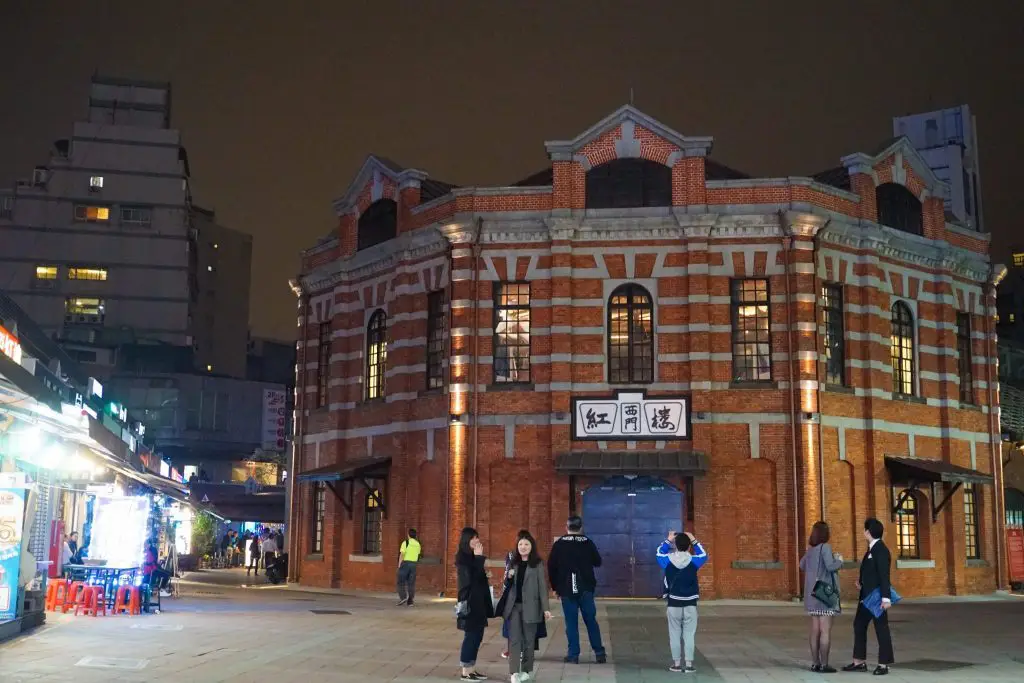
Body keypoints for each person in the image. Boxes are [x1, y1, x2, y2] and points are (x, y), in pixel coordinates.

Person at [548, 515, 607, 665]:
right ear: (581, 528)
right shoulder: (587, 542)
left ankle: (573, 654)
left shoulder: (559, 544)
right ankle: (599, 653)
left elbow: (551, 567)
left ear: (566, 528)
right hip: (586, 587)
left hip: (566, 589)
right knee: (591, 621)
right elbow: (598, 562)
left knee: (571, 622)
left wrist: (555, 587)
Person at [842, 518, 894, 676]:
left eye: (865, 529)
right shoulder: (871, 549)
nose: (863, 532)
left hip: (877, 597)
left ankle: (883, 664)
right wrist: (862, 583)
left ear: (868, 532)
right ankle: (859, 661)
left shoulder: (881, 550)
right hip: (866, 596)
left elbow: (884, 576)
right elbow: (870, 572)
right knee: (859, 625)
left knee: (881, 629)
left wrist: (886, 598)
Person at [500, 530, 552, 683]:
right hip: (514, 607)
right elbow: (506, 585)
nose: (523, 547)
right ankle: (514, 672)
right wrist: (508, 577)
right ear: (517, 546)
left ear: (531, 546)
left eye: (526, 544)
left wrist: (546, 609)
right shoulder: (513, 562)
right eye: (520, 544)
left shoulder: (537, 564)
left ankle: (527, 670)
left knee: (529, 641)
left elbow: (543, 588)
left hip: (532, 608)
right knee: (514, 640)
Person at [799, 521, 844, 673]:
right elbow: (831, 566)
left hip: (811, 595)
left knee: (815, 630)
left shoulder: (810, 550)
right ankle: (824, 664)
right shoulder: (825, 547)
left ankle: (814, 663)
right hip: (823, 594)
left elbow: (802, 565)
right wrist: (839, 560)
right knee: (825, 630)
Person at [664, 531, 708, 673]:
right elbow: (704, 554)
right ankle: (689, 665)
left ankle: (676, 664)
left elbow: (658, 553)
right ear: (689, 546)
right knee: (689, 634)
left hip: (674, 602)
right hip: (690, 603)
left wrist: (668, 540)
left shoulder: (667, 560)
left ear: (675, 546)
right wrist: (694, 539)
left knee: (674, 633)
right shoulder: (695, 561)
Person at [455, 527, 493, 681]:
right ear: (466, 540)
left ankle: (472, 668)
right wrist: (478, 559)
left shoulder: (472, 557)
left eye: (477, 538)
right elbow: (467, 582)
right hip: (470, 602)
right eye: (473, 538)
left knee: (478, 636)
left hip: (479, 601)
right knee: (471, 636)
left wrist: (485, 574)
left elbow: (477, 577)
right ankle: (465, 671)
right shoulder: (462, 559)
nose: (476, 541)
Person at [396, 528, 422, 606]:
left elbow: (402, 554)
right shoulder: (418, 544)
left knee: (400, 581)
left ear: (408, 535)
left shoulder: (406, 543)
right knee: (411, 583)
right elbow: (418, 555)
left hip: (405, 563)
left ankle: (403, 597)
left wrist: (399, 564)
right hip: (413, 564)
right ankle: (410, 601)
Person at [656, 530, 677, 597]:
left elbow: (660, 553)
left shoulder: (668, 559)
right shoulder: (692, 560)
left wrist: (668, 540)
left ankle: (668, 593)